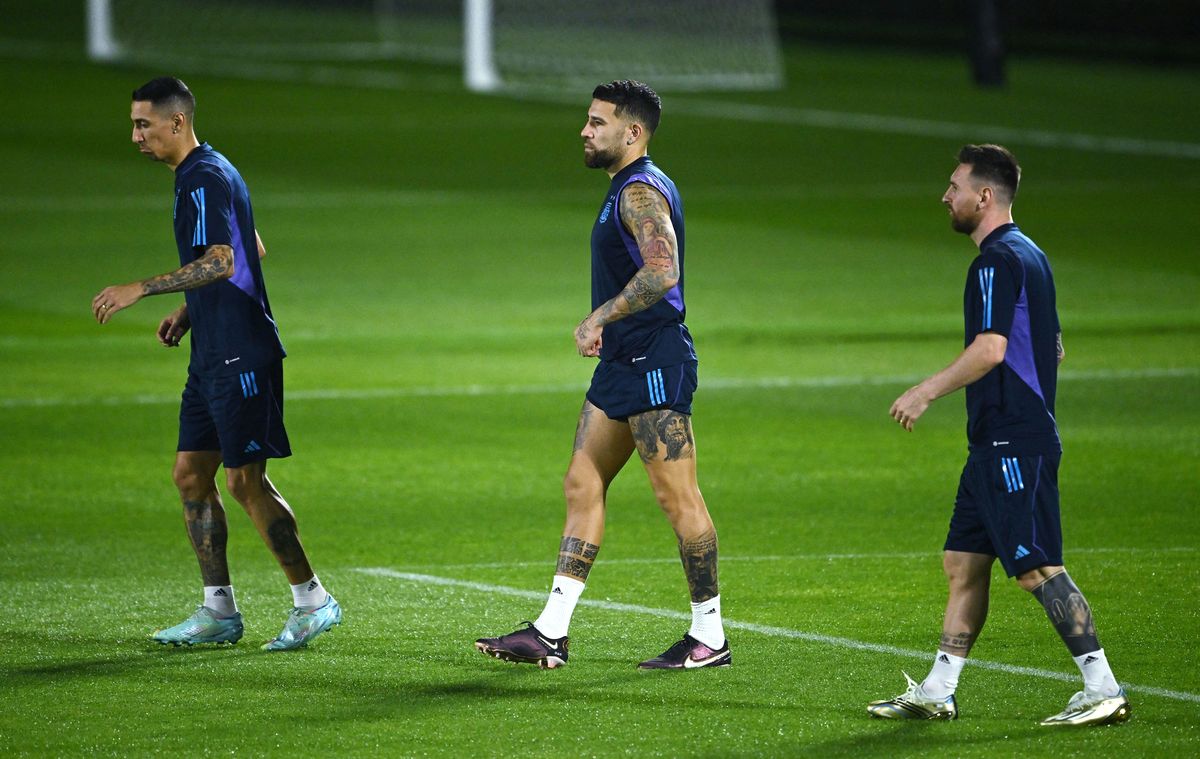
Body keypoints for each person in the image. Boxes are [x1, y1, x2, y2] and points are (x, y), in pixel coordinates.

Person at [867, 144, 1130, 725]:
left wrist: (925, 391)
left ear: (984, 196)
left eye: (955, 186)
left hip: (1015, 438)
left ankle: (1102, 687)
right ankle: (939, 690)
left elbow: (991, 349)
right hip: (996, 440)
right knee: (964, 563)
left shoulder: (993, 261)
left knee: (1036, 566)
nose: (946, 195)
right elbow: (1053, 345)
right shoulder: (1030, 254)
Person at [474, 80, 729, 670]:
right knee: (581, 482)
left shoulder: (639, 191)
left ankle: (709, 637)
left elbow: (663, 273)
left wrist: (601, 315)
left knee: (677, 498)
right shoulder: (625, 188)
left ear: (632, 132)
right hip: (623, 364)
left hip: (654, 361)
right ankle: (551, 632)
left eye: (597, 122)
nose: (585, 132)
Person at [92, 77, 340, 651]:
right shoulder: (206, 170)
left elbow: (224, 259)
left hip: (241, 353)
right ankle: (218, 612)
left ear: (176, 123)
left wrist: (143, 288)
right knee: (190, 475)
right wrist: (189, 309)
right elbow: (251, 245)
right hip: (212, 351)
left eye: (143, 125)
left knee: (245, 482)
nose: (135, 136)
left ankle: (312, 600)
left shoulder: (203, 177)